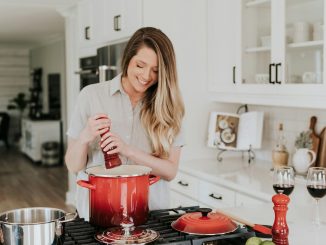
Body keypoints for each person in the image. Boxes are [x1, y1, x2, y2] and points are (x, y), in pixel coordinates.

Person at [65, 27, 185, 220]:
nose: (147, 76)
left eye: (156, 70)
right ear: (128, 59)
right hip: (97, 214)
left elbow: (170, 171)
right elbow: (72, 165)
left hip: (150, 215)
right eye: (140, 65)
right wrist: (85, 137)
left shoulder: (169, 107)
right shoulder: (91, 95)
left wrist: (127, 150)